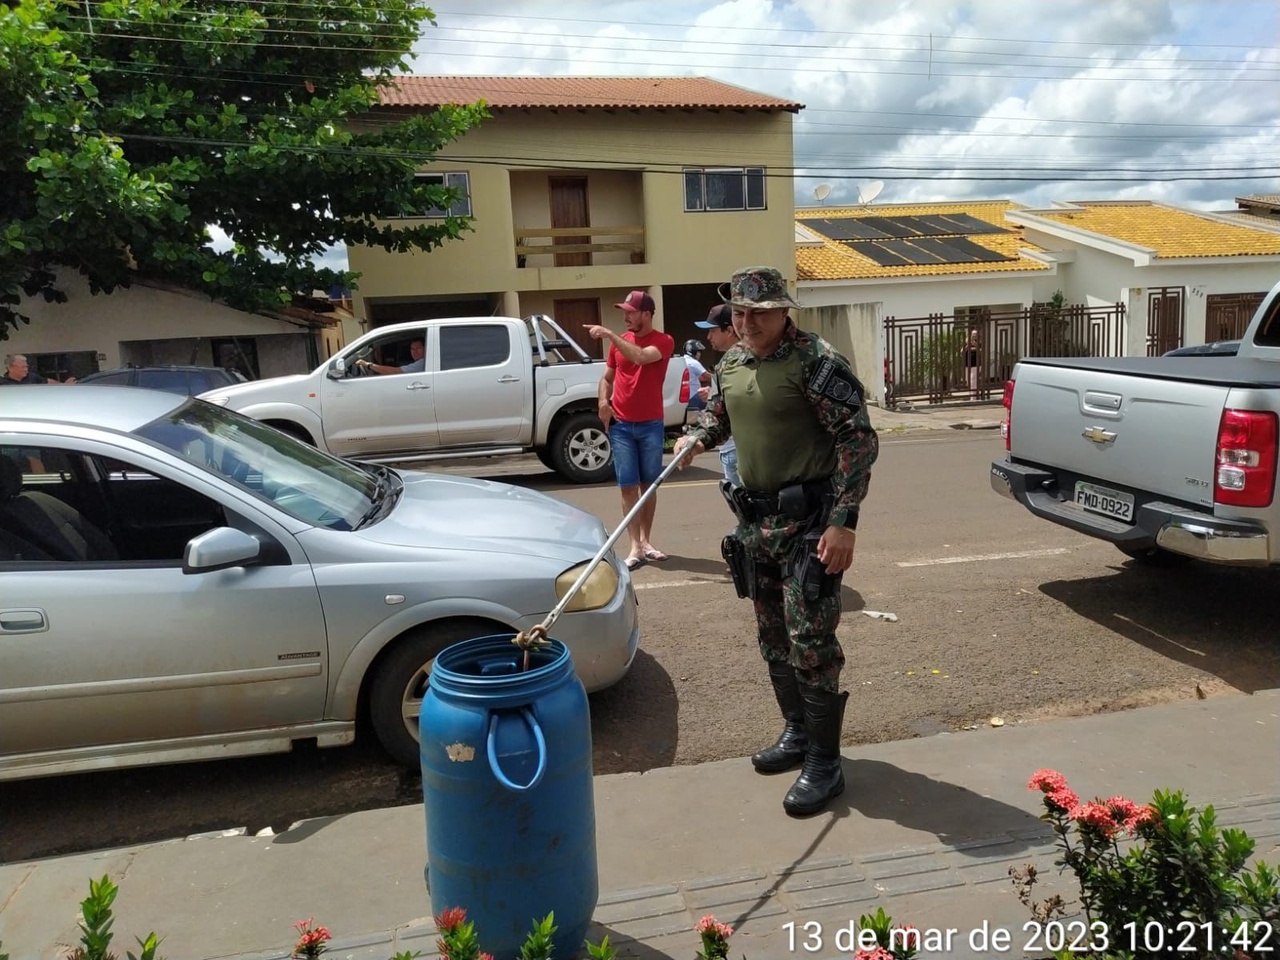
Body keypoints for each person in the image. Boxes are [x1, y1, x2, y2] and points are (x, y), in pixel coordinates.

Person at [674, 266, 878, 817]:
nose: (747, 323)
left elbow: (857, 440)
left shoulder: (816, 362)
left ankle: (826, 763)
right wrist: (696, 438)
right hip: (756, 523)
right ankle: (796, 734)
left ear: (784, 310)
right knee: (773, 636)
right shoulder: (732, 362)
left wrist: (844, 521)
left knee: (811, 640)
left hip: (811, 525)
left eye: (758, 313)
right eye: (739, 313)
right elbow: (722, 416)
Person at [585, 290, 675, 571]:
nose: (625, 316)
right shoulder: (620, 343)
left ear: (646, 314)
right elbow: (607, 378)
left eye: (630, 312)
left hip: (651, 424)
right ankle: (635, 546)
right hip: (621, 425)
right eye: (624, 311)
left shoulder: (664, 341)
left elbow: (640, 358)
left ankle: (646, 542)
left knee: (648, 486)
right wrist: (603, 401)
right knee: (627, 486)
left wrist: (610, 335)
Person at [692, 303, 741, 487]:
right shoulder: (727, 365)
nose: (708, 336)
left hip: (738, 451)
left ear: (728, 330)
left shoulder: (735, 364)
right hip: (731, 448)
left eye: (712, 330)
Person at [358, 338, 425, 375]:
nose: (415, 352)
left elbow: (394, 371)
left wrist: (368, 365)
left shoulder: (423, 363)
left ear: (426, 349)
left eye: (418, 348)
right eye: (412, 349)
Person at [682, 339, 712, 415]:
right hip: (694, 396)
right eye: (699, 352)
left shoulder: (682, 361)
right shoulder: (693, 362)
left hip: (684, 398)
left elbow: (699, 377)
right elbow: (708, 377)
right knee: (712, 405)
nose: (700, 354)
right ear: (693, 351)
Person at [1, 354, 75, 385]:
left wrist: (64, 385)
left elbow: (47, 381)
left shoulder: (32, 377)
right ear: (10, 368)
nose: (26, 369)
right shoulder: (2, 383)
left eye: (26, 366)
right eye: (23, 367)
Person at [962, 327, 981, 397]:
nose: (974, 336)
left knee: (973, 379)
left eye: (976, 335)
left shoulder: (980, 342)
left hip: (976, 364)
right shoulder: (966, 342)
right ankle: (972, 393)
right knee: (968, 380)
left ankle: (973, 396)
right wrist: (967, 345)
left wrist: (974, 343)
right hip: (967, 364)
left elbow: (980, 351)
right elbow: (962, 351)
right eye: (973, 335)